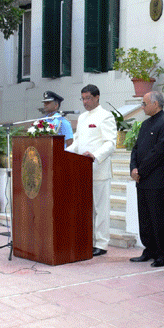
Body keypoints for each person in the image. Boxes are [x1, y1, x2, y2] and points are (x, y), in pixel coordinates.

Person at [66, 85, 117, 257]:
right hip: (81, 170)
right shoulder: (81, 118)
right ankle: (87, 239)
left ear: (97, 97)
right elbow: (77, 143)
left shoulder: (106, 116)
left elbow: (110, 143)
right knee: (85, 208)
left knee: (100, 209)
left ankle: (102, 243)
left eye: (88, 98)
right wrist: (62, 152)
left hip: (99, 170)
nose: (85, 102)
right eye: (83, 98)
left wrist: (95, 155)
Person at [129, 91, 164, 267]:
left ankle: (163, 254)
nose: (142, 106)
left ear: (155, 104)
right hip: (142, 179)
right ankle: (149, 249)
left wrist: (141, 170)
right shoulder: (145, 124)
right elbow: (136, 148)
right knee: (145, 218)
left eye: (144, 103)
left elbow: (159, 152)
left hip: (156, 179)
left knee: (159, 218)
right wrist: (133, 168)